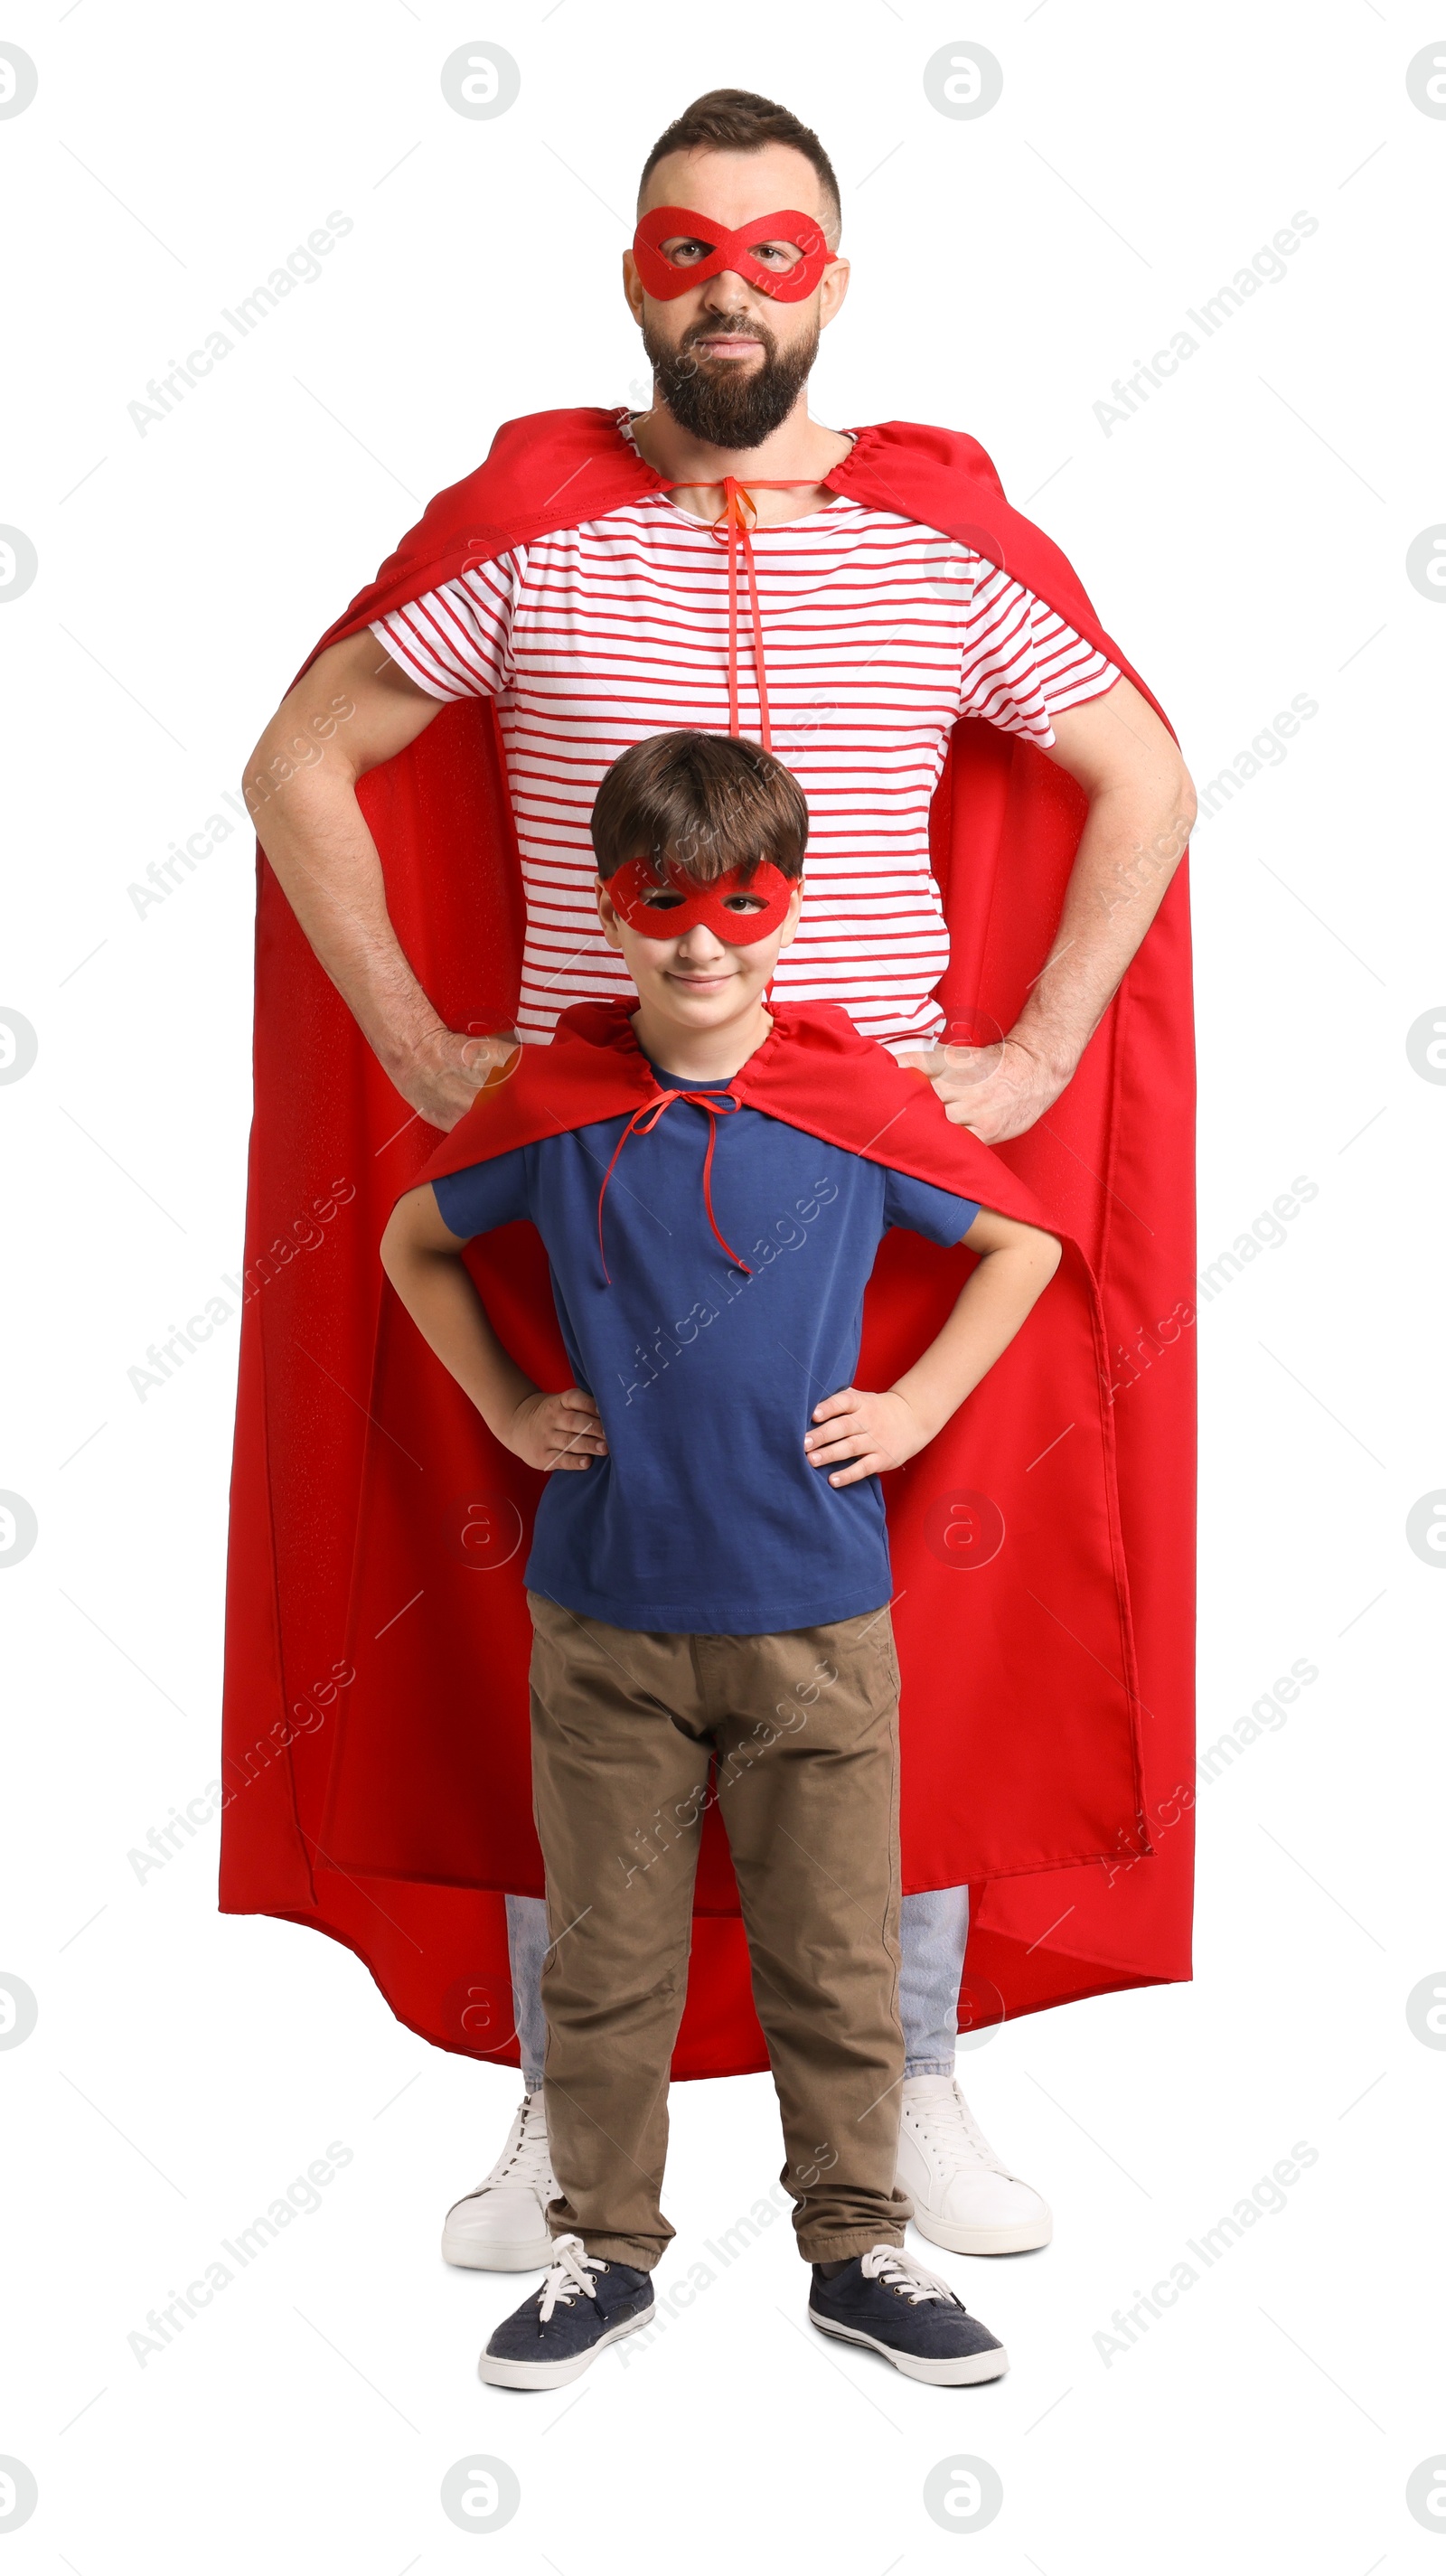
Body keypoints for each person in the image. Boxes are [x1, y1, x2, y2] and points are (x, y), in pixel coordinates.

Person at [222, 89, 1197, 2270]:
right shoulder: (524, 530)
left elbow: (1137, 765)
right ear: (631, 273)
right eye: (687, 249)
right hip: (596, 1148)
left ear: (830, 285)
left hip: (872, 1142)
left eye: (775, 254)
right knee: (556, 1596)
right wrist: (417, 1047)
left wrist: (1032, 1051)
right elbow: (301, 756)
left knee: (926, 1601)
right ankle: (565, 2120)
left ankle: (912, 2078)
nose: (728, 289)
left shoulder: (944, 545)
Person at [380, 729, 1066, 2387]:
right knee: (607, 1965)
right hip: (605, 1612)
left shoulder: (848, 1095)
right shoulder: (553, 1101)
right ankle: (601, 2255)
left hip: (817, 1614)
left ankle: (859, 2248)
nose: (700, 940)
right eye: (659, 900)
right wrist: (515, 1401)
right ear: (609, 907)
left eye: (739, 901)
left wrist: (911, 1410)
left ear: (792, 902)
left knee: (834, 1955)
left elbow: (1021, 1238)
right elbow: (415, 1239)